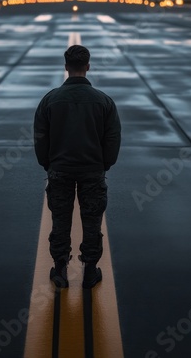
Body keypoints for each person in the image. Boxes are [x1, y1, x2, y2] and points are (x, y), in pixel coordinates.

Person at [33, 45, 121, 289]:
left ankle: (60, 270)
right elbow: (113, 138)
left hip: (60, 169)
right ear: (88, 67)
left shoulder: (50, 100)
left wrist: (48, 164)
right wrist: (104, 164)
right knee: (92, 222)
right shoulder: (104, 101)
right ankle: (90, 271)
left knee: (60, 221)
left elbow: (41, 137)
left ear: (66, 67)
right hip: (92, 171)